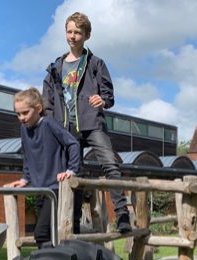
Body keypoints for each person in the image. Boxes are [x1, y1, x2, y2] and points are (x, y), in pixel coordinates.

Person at [42, 11, 132, 234]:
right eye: (69, 31)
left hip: (91, 123)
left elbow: (109, 96)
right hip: (66, 129)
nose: (72, 36)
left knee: (110, 164)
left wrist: (103, 100)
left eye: (77, 32)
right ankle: (72, 225)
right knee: (73, 174)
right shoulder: (55, 68)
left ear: (87, 35)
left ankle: (122, 215)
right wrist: (52, 126)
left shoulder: (95, 63)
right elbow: (47, 103)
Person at [6, 88, 82, 249]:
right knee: (47, 235)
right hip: (40, 188)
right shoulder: (24, 129)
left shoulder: (48, 123)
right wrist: (25, 179)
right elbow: (27, 155)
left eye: (25, 113)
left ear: (39, 108)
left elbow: (73, 144)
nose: (21, 118)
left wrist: (71, 170)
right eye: (18, 114)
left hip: (55, 189)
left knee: (41, 233)